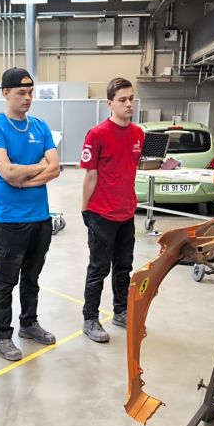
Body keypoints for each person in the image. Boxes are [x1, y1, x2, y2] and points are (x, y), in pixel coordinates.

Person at [0, 67, 61, 361]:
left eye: (30, 92)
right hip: (10, 223)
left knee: (32, 277)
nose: (28, 98)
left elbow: (55, 168)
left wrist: (24, 176)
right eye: (21, 92)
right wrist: (38, 167)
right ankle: (2, 335)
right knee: (5, 281)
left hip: (40, 218)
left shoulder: (39, 127)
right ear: (5, 93)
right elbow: (7, 172)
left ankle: (28, 324)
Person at [79, 77, 144, 343]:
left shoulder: (138, 134)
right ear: (110, 104)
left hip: (126, 213)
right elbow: (90, 176)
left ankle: (120, 312)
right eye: (122, 100)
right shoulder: (97, 134)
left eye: (131, 98)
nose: (129, 104)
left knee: (123, 267)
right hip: (101, 214)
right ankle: (90, 318)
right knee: (98, 268)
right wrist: (85, 210)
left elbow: (131, 169)